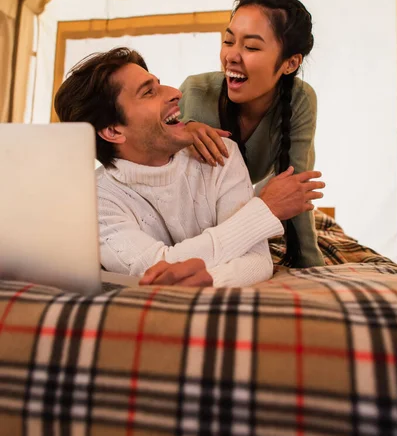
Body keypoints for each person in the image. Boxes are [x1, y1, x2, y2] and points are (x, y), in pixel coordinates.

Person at [54, 47, 324, 288]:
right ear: (113, 131)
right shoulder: (94, 200)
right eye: (149, 92)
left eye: (159, 84)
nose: (175, 93)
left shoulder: (220, 152)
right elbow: (158, 267)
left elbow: (257, 260)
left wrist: (211, 281)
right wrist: (263, 211)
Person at [179, 0, 324, 268]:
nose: (231, 56)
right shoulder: (196, 92)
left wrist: (311, 264)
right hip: (193, 225)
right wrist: (182, 131)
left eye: (252, 47)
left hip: (245, 213)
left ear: (290, 63)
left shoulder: (300, 99)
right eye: (228, 41)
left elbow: (294, 186)